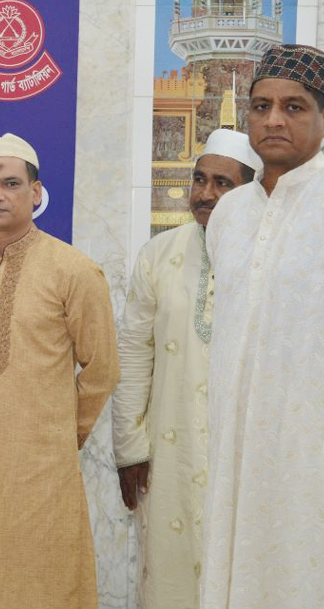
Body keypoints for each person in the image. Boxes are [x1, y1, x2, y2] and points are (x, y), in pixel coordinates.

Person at [0, 133, 119, 609]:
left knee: (40, 578)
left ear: (35, 193)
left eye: (11, 184)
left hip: (40, 466)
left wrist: (60, 433)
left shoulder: (74, 270)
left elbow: (102, 368)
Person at [201, 44, 324, 608]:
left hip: (316, 453)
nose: (273, 120)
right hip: (234, 448)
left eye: (294, 107)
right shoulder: (230, 213)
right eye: (261, 106)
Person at [112, 128, 259, 609]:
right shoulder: (159, 255)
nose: (205, 194)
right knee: (170, 577)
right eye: (199, 179)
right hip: (170, 452)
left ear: (252, 190)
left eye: (222, 183)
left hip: (246, 455)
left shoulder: (271, 257)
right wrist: (129, 451)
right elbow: (133, 355)